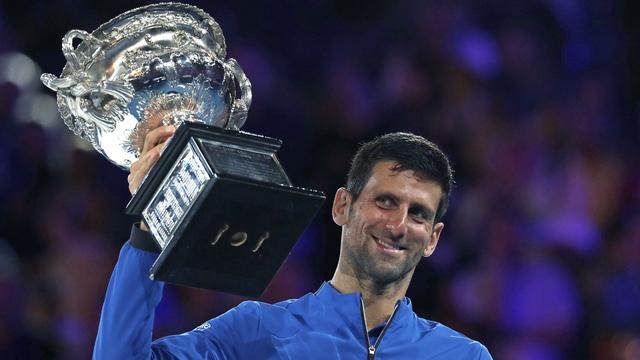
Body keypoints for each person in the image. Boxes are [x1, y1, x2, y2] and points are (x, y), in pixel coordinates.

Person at [93, 125, 492, 359]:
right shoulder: (255, 332)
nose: (399, 224)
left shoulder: (462, 356)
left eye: (418, 213)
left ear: (433, 239)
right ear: (342, 206)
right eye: (385, 201)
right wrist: (149, 227)